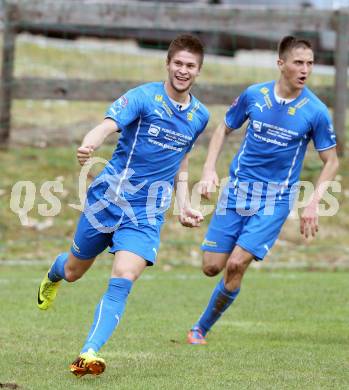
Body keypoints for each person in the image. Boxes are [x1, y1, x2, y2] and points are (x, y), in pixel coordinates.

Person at [37, 34, 209, 376]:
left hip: (147, 212)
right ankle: (53, 274)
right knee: (74, 271)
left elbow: (182, 163)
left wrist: (184, 204)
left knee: (124, 277)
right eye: (178, 63)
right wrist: (89, 144)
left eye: (190, 66)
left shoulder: (199, 116)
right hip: (108, 200)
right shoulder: (143, 97)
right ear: (168, 63)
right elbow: (107, 126)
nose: (183, 71)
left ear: (199, 70)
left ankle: (89, 352)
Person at [187, 36, 339, 345]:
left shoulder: (316, 111)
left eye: (310, 63)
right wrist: (208, 169)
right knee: (211, 267)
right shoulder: (254, 95)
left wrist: (313, 202)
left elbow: (332, 161)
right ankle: (222, 286)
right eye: (299, 62)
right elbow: (224, 128)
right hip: (236, 193)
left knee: (235, 264)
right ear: (281, 63)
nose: (305, 69)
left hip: (275, 200)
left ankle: (200, 329)